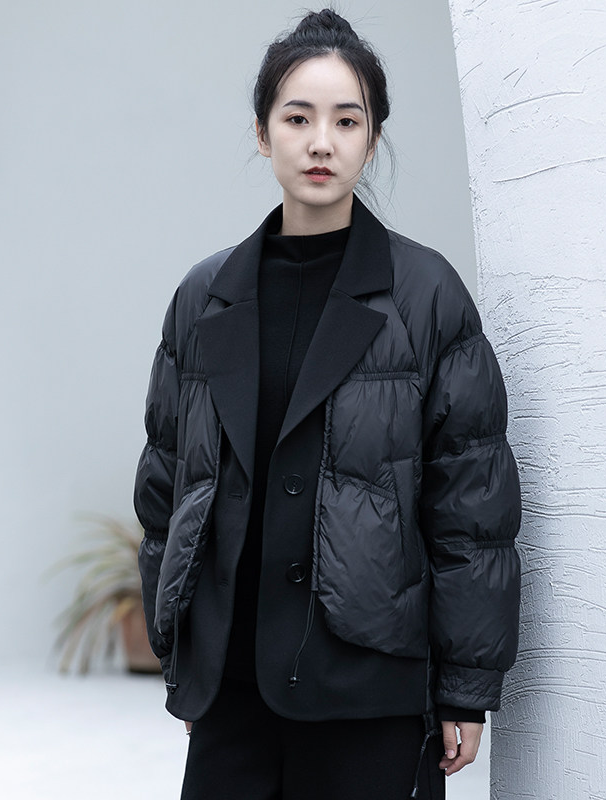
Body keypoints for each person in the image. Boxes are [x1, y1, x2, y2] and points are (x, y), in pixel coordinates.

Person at [133, 8, 522, 800]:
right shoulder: (205, 298)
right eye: (298, 118)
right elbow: (167, 488)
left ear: (372, 140)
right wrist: (186, 659)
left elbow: (470, 508)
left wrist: (465, 688)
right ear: (262, 132)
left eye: (347, 121)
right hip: (234, 689)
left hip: (370, 691)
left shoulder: (425, 296)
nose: (321, 142)